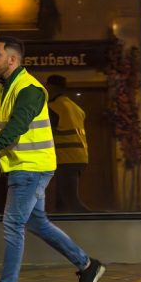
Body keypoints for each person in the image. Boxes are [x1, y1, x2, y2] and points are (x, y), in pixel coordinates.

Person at [0, 36, 105, 282]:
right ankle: (87, 265)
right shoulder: (1, 91)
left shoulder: (30, 90)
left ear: (12, 60)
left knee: (13, 224)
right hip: (20, 166)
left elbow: (17, 126)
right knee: (36, 222)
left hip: (33, 167)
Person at [46, 74, 91, 213]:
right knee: (62, 204)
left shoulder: (54, 107)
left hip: (66, 159)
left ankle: (100, 222)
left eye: (47, 86)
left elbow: (43, 131)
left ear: (52, 87)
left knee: (71, 202)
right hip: (79, 158)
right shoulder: (75, 107)